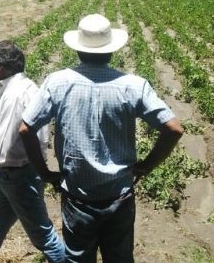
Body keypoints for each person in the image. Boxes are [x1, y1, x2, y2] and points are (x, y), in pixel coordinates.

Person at [18, 14, 183, 263]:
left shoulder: (58, 82)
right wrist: (147, 165)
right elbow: (174, 129)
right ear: (112, 51)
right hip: (120, 194)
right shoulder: (132, 85)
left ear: (77, 50)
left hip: (77, 197)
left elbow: (25, 129)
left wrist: (44, 172)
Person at [0, 40, 66, 263]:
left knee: (43, 236)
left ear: (1, 67)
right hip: (18, 174)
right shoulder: (28, 87)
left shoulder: (14, 96)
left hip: (18, 175)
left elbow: (0, 149)